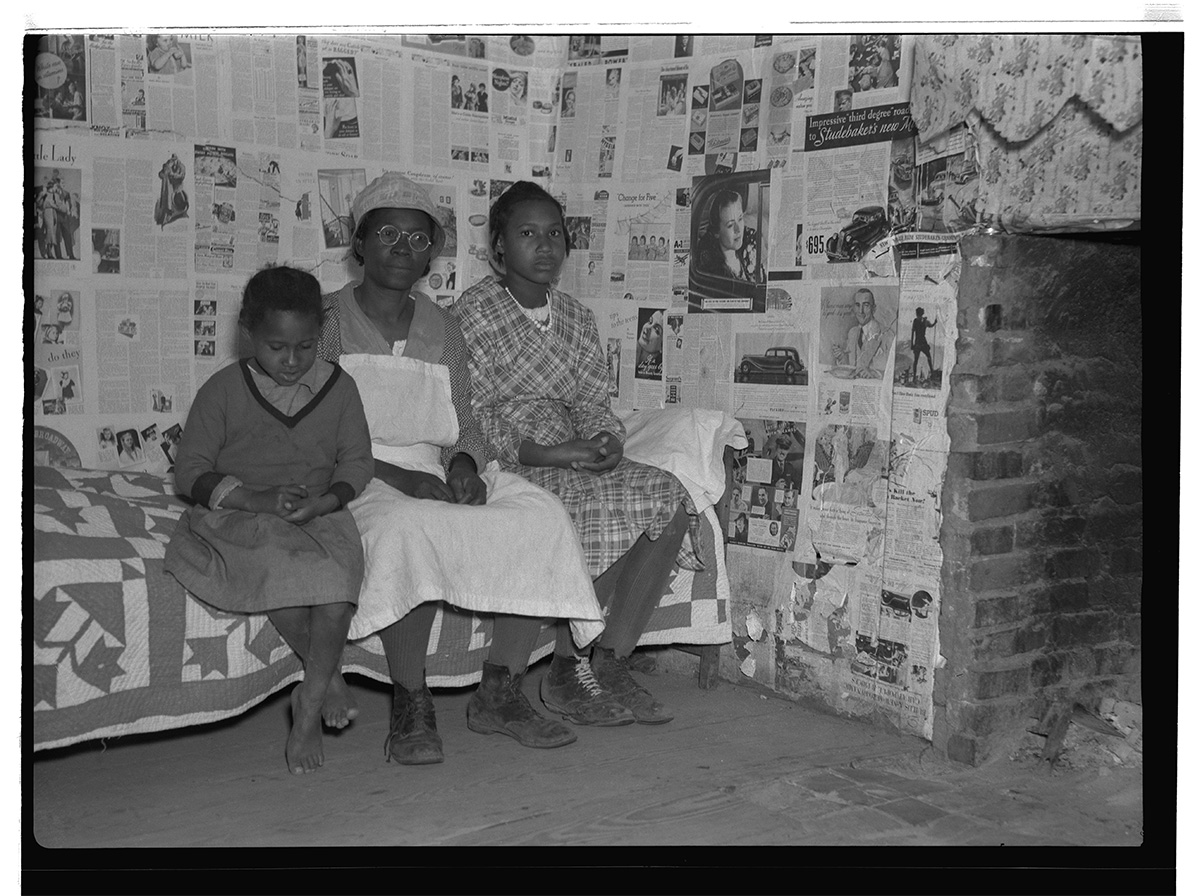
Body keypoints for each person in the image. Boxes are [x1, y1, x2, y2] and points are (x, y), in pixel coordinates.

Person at [318, 173, 605, 765]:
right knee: (406, 527)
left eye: (418, 239)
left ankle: (500, 691)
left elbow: (466, 421)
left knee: (538, 515)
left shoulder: (443, 328)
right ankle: (410, 702)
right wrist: (398, 479)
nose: (403, 249)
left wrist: (466, 468)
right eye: (388, 234)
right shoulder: (326, 321)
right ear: (359, 245)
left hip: (435, 464)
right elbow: (310, 429)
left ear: (433, 253)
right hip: (354, 471)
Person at [454, 181, 706, 728]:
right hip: (508, 456)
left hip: (571, 447)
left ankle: (601, 663)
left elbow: (593, 402)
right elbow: (469, 411)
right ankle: (518, 683)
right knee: (572, 507)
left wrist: (606, 443)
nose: (545, 247)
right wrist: (547, 453)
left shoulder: (576, 318)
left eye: (554, 235)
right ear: (498, 246)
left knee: (665, 493)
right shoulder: (472, 313)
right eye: (527, 234)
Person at [164, 266, 374, 776]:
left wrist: (326, 503)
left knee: (336, 586)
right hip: (243, 513)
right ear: (247, 333)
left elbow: (358, 463)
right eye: (277, 347)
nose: (292, 361)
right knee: (278, 569)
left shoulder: (339, 388)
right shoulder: (223, 389)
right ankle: (325, 680)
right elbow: (189, 473)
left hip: (318, 511)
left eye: (305, 347)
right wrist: (255, 498)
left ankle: (309, 695)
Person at [693, 189, 765, 283]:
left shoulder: (750, 246)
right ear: (716, 232)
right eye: (730, 225)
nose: (738, 229)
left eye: (740, 219)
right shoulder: (712, 273)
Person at [834, 288, 887, 378]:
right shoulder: (852, 332)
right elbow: (851, 365)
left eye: (866, 305)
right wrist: (842, 357)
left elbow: (893, 369)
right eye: (858, 305)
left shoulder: (886, 333)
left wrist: (875, 373)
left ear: (874, 309)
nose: (861, 311)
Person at [910, 306, 937, 381]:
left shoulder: (916, 321)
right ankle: (932, 372)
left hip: (918, 342)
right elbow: (930, 325)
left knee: (916, 360)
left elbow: (912, 333)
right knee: (928, 357)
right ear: (922, 313)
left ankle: (915, 377)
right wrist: (935, 322)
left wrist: (912, 344)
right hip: (922, 342)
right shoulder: (924, 321)